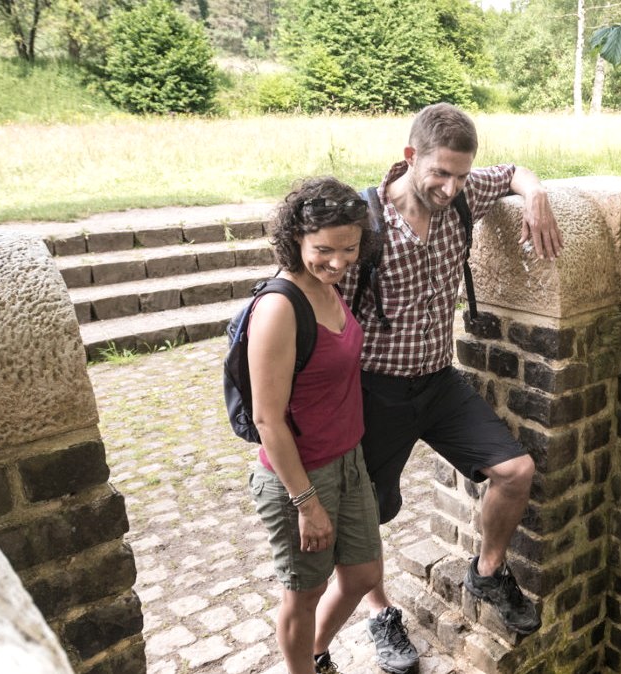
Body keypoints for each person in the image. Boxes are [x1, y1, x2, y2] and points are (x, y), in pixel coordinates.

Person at [335, 103, 565, 674]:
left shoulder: (464, 195)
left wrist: (534, 194)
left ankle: (487, 573)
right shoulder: (363, 224)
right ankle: (379, 610)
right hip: (374, 390)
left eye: (462, 174)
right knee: (366, 516)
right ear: (410, 157)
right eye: (440, 172)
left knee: (516, 471)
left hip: (438, 381)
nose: (450, 186)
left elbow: (512, 171)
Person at [245, 177, 383, 674]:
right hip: (299, 477)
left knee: (364, 572)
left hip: (348, 460)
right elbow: (267, 418)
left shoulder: (332, 286)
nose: (339, 261)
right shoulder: (281, 307)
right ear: (296, 241)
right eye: (324, 249)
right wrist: (306, 503)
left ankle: (316, 651)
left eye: (350, 248)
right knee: (304, 593)